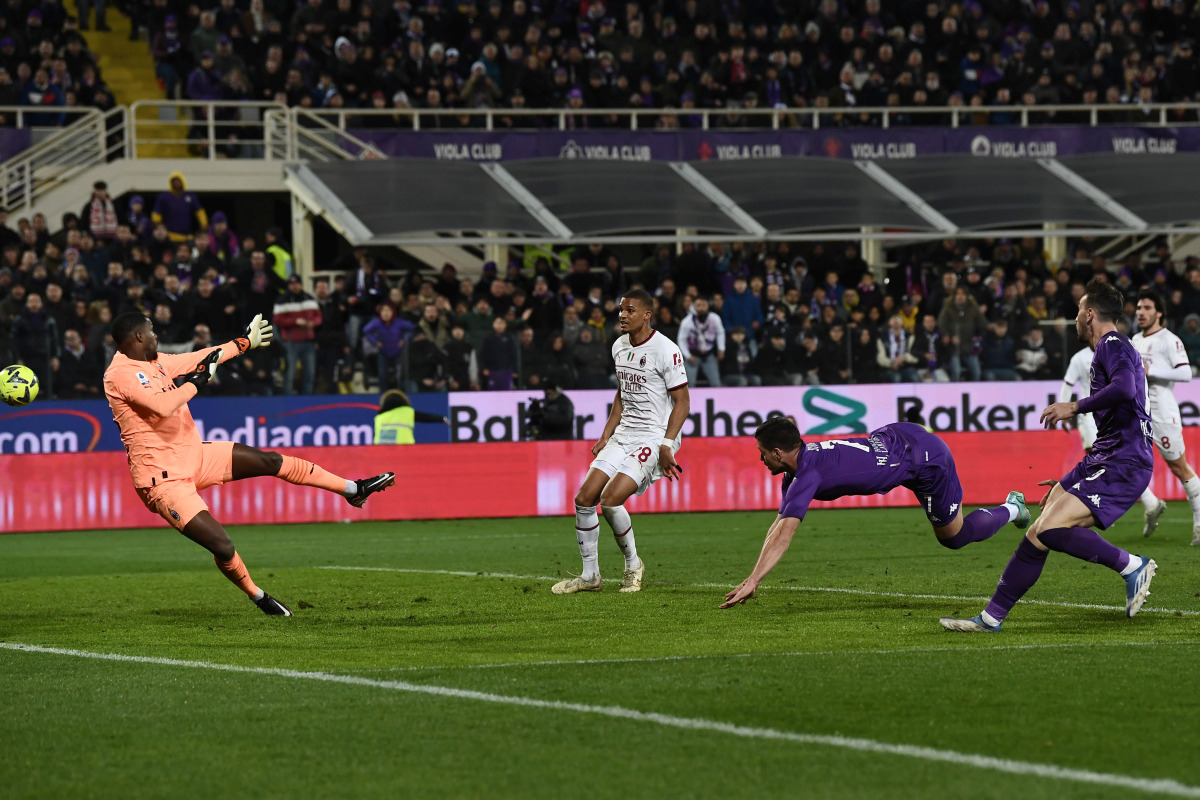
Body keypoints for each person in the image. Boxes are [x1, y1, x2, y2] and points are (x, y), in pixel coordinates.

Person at [103, 311, 395, 616]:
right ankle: (258, 596)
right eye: (151, 331)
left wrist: (244, 342)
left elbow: (201, 357)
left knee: (268, 460)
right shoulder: (119, 374)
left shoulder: (155, 362)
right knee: (222, 546)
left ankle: (354, 489)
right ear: (138, 336)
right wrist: (196, 383)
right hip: (163, 481)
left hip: (194, 455)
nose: (156, 335)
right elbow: (162, 406)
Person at [940, 280, 1157, 633]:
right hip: (1105, 456)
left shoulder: (1112, 344)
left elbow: (1125, 388)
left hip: (1123, 461)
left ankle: (1132, 565)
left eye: (1077, 312)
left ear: (1089, 314)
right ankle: (991, 618)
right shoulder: (1111, 347)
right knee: (1039, 531)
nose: (1074, 319)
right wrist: (1070, 483)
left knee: (1054, 528)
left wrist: (1075, 406)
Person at [720, 417, 1030, 609]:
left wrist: (754, 582)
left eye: (761, 453)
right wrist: (753, 577)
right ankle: (1011, 508)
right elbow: (778, 525)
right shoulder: (798, 469)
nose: (760, 459)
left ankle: (1012, 508)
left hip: (925, 460)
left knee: (954, 536)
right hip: (897, 437)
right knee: (950, 533)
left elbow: (785, 534)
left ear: (777, 453)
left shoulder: (807, 475)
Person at [552, 289, 690, 596]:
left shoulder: (666, 350)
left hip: (654, 436)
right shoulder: (618, 346)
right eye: (620, 310)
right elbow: (622, 393)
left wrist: (667, 445)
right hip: (624, 433)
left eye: (629, 310)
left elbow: (682, 402)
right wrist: (606, 434)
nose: (622, 315)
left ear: (646, 315)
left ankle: (632, 565)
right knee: (584, 497)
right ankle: (590, 577)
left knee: (611, 499)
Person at [1131, 289, 1200, 544]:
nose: (1141, 312)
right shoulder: (1134, 340)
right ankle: (1151, 504)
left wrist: (1151, 370)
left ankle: (1199, 523)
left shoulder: (1170, 340)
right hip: (1137, 414)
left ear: (1159, 313)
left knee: (1178, 466)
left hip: (1162, 414)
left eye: (1147, 308)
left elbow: (1186, 373)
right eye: (1139, 308)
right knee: (1127, 465)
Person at [676, 295, 724, 387]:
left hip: (708, 354)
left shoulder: (714, 318)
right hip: (692, 355)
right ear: (693, 306)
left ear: (708, 306)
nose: (701, 308)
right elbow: (681, 340)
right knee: (689, 385)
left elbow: (720, 333)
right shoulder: (687, 321)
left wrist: (721, 348)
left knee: (716, 383)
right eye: (698, 305)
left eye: (704, 305)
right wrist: (688, 356)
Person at [373, 389, 449, 444]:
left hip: (381, 450)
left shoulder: (379, 417)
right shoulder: (408, 412)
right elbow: (427, 417)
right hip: (405, 448)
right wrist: (443, 419)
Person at [1058, 345, 1097, 454]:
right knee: (1093, 452)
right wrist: (1064, 412)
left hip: (1113, 411)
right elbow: (1068, 385)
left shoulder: (1116, 353)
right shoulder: (1079, 358)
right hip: (1088, 413)